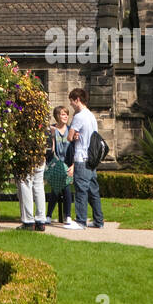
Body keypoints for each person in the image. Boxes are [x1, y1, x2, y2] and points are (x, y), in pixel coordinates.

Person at [67, 88, 104, 230]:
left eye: (71, 101)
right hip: (92, 158)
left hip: (81, 158)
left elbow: (70, 137)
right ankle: (98, 221)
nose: (71, 104)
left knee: (81, 190)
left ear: (77, 100)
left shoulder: (79, 116)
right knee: (93, 190)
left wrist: (73, 135)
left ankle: (81, 221)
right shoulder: (91, 116)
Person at [45, 105, 80, 228]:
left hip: (68, 165)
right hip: (55, 164)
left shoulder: (71, 131)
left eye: (66, 114)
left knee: (59, 186)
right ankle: (67, 216)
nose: (65, 116)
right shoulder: (52, 130)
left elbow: (77, 150)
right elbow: (51, 151)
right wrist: (53, 137)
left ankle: (49, 215)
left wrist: (73, 166)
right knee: (62, 185)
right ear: (57, 116)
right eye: (62, 114)